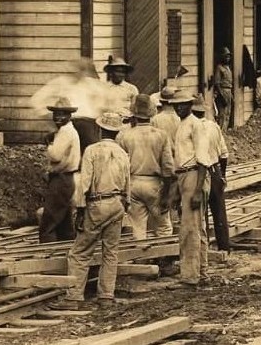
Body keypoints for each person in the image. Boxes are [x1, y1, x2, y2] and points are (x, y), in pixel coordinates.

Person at [64, 110, 130, 304]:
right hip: (117, 203)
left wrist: (80, 210)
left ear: (99, 129)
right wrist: (125, 205)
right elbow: (128, 183)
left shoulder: (92, 151)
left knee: (80, 253)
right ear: (117, 132)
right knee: (110, 252)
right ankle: (106, 295)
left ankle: (74, 296)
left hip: (97, 203)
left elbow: (84, 184)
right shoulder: (123, 153)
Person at [167, 90, 215, 285]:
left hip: (195, 174)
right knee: (197, 227)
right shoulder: (181, 125)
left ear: (190, 105)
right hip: (185, 175)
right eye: (176, 105)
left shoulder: (196, 125)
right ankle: (201, 272)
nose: (179, 108)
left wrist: (197, 189)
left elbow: (203, 159)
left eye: (183, 104)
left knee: (189, 228)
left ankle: (190, 276)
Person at [117, 93, 175, 239]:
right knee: (163, 226)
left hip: (133, 183)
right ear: (152, 113)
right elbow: (168, 168)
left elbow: (121, 167)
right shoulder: (161, 135)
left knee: (138, 227)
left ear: (134, 115)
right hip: (155, 184)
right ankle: (163, 258)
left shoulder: (124, 136)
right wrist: (166, 194)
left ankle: (142, 257)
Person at [190, 100, 232, 251]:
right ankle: (224, 247)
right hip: (215, 170)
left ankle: (203, 249)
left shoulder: (191, 127)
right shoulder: (214, 126)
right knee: (219, 211)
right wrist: (223, 175)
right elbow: (224, 154)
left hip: (197, 172)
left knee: (200, 213)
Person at [41, 96, 81, 242]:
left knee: (49, 220)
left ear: (69, 115)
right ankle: (66, 249)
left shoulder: (65, 131)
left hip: (61, 178)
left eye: (62, 114)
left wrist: (49, 145)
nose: (58, 117)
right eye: (56, 114)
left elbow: (56, 156)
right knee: (64, 221)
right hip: (67, 179)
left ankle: (46, 253)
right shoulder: (68, 130)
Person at [208, 53, 235, 126]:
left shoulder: (228, 67)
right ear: (222, 57)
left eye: (229, 57)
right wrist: (221, 96)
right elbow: (217, 83)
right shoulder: (219, 68)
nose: (227, 59)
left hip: (228, 91)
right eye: (226, 57)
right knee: (222, 113)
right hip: (222, 91)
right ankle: (221, 131)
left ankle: (225, 131)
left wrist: (231, 95)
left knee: (228, 112)